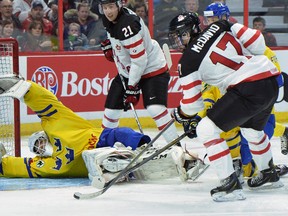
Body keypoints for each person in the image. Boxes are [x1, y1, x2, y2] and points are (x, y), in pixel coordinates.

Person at [0, 76, 202, 185]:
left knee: (120, 133)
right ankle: (115, 166)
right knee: (98, 162)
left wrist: (21, 88)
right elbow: (24, 167)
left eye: (41, 141)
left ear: (44, 135)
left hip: (103, 140)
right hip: (94, 161)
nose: (42, 147)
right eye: (38, 148)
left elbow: (44, 101)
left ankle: (147, 149)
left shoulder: (56, 121)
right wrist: (3, 165)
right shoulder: (50, 164)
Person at [168, 11, 283, 202]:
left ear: (194, 30)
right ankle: (268, 173)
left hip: (247, 87)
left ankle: (229, 184)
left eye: (181, 35)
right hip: (269, 80)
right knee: (252, 131)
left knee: (206, 129)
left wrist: (180, 114)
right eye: (175, 37)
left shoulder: (187, 61)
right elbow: (258, 43)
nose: (179, 41)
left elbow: (192, 104)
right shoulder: (222, 25)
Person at [98, 0, 180, 146]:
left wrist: (132, 87)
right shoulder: (108, 18)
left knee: (155, 109)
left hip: (151, 68)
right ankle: (103, 147)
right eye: (105, 7)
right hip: (128, 71)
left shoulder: (128, 25)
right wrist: (113, 48)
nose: (108, 11)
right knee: (111, 112)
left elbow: (140, 60)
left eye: (111, 7)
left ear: (119, 5)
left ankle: (176, 147)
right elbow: (118, 41)